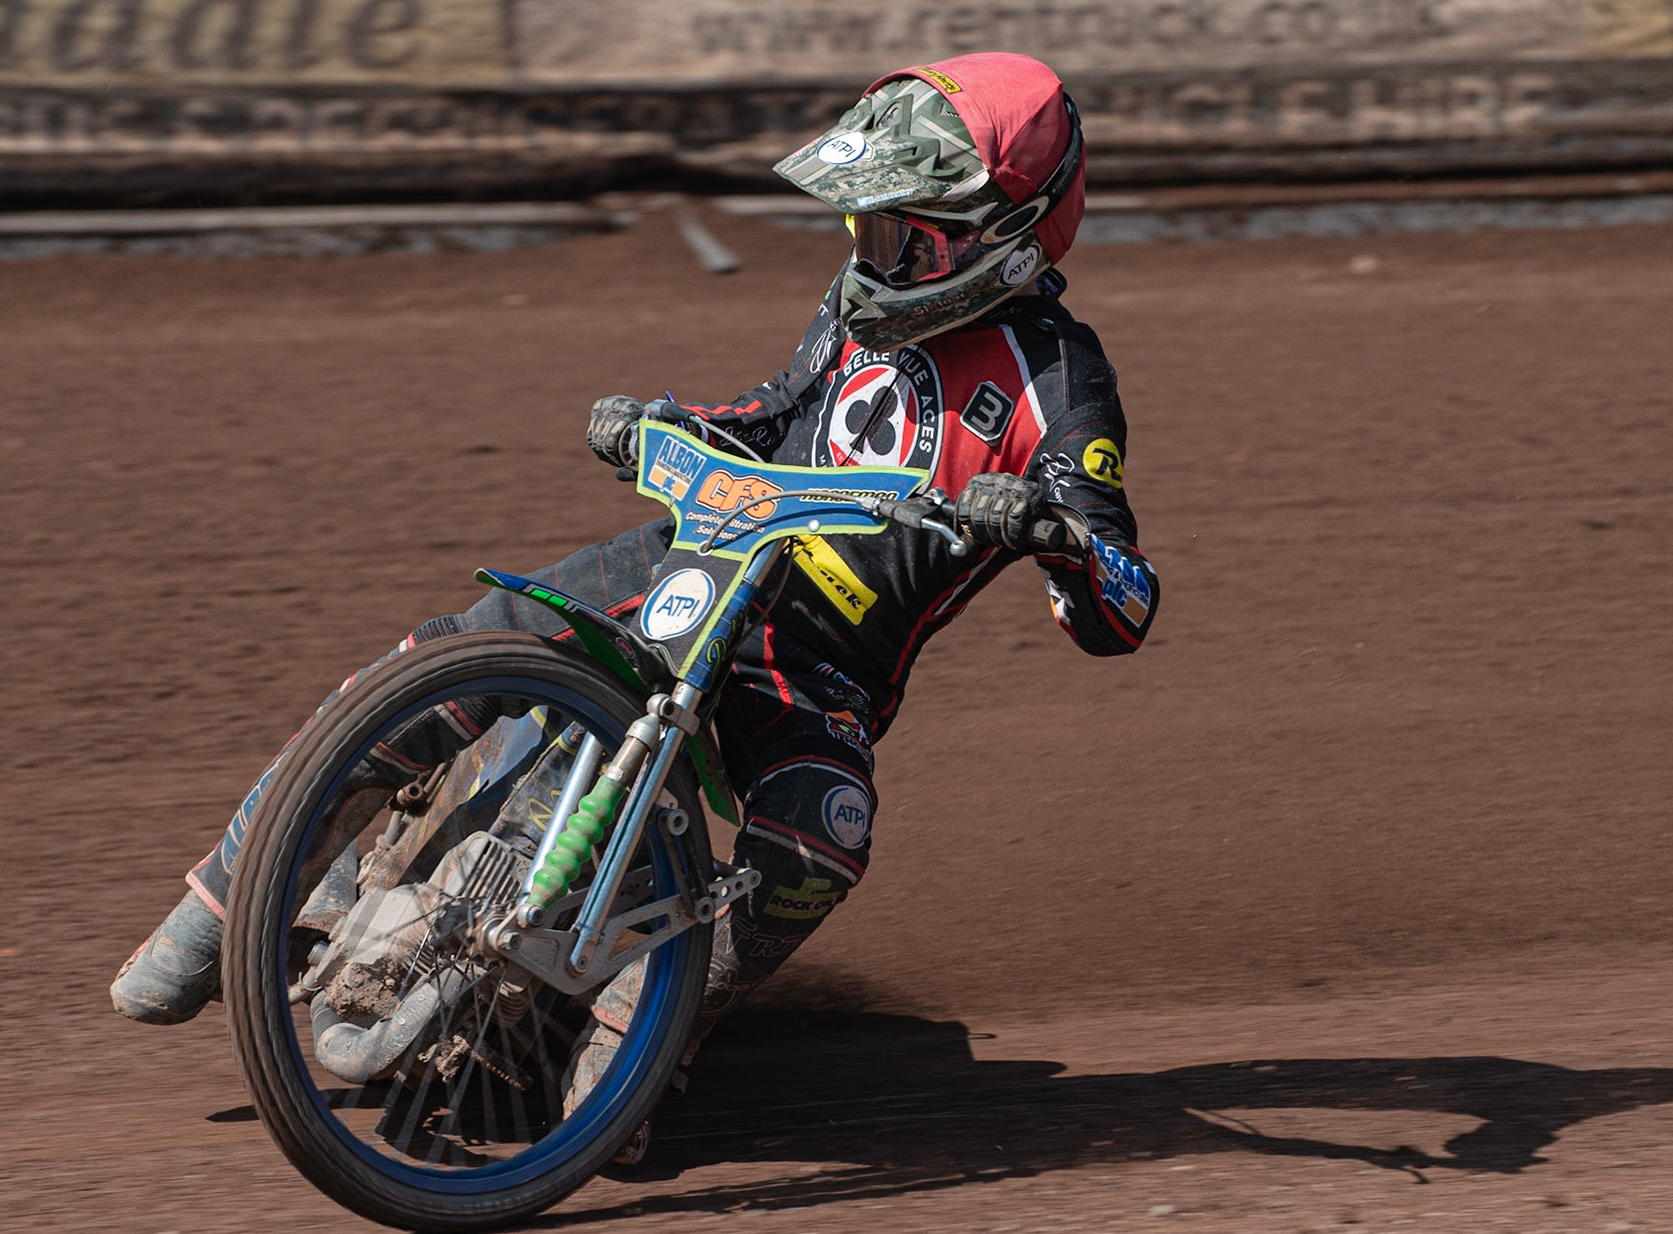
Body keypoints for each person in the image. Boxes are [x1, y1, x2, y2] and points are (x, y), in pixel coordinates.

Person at [110, 52, 1158, 1081]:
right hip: (699, 560)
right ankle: (220, 906)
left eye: (901, 235)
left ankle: (637, 1049)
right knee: (453, 654)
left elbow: (1123, 603)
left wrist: (1055, 534)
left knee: (820, 842)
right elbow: (773, 413)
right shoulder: (858, 303)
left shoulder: (1062, 381)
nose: (871, 254)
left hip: (821, 665)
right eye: (865, 228)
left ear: (1004, 237)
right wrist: (669, 422)